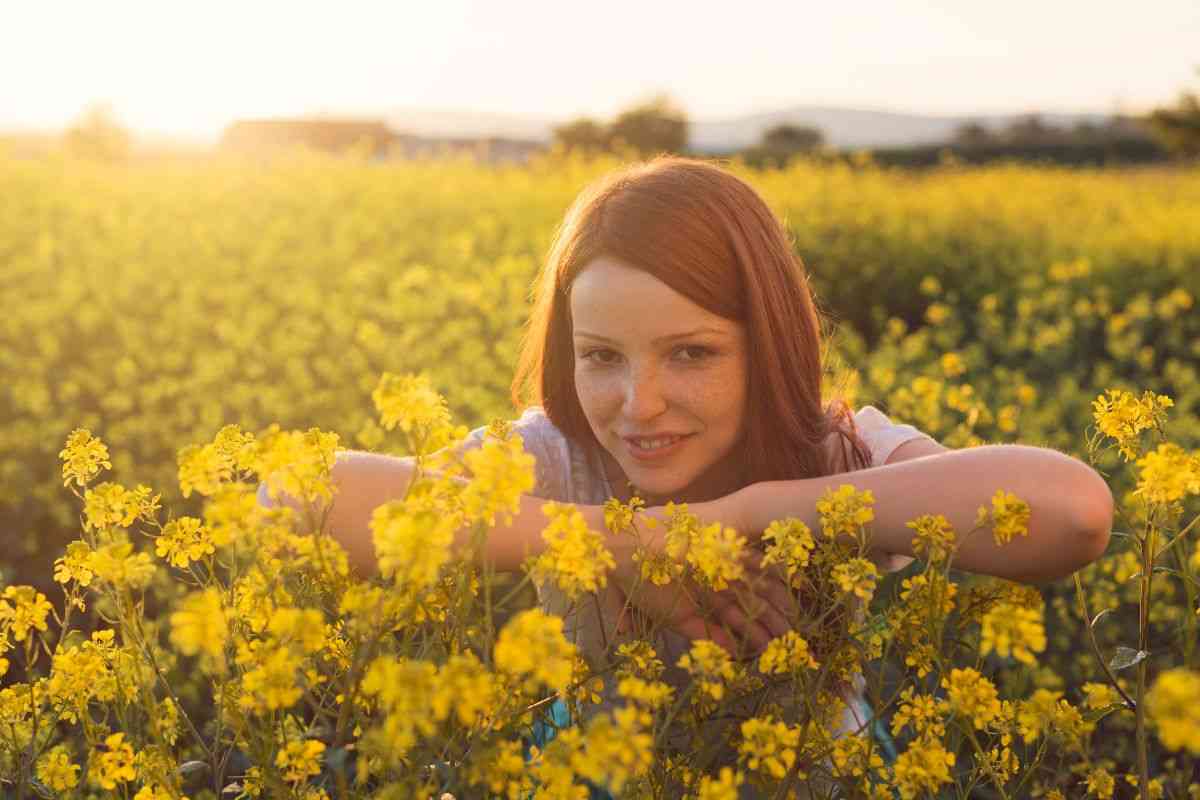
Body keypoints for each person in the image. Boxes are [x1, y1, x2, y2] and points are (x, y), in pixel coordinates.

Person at [260, 155, 1114, 796]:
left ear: (771, 341)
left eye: (692, 353)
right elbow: (292, 496)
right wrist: (632, 544)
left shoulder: (837, 452)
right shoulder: (563, 454)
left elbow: (1072, 514)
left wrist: (760, 511)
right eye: (600, 356)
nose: (640, 405)